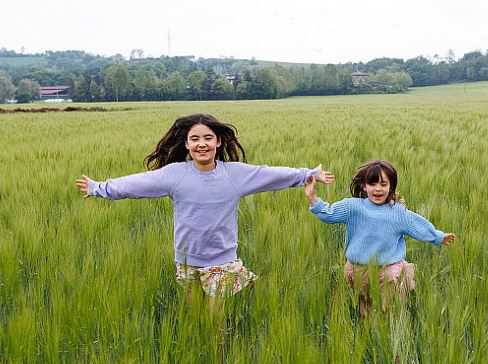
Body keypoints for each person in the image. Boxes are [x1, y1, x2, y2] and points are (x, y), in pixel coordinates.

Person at [75, 113, 334, 298]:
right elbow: (136, 184)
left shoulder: (234, 174)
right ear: (187, 144)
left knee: (215, 324)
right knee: (193, 317)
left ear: (218, 142)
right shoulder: (174, 173)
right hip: (186, 260)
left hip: (220, 260)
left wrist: (307, 174)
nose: (202, 144)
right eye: (195, 139)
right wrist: (99, 188)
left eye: (208, 138)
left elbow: (270, 174)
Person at [304, 160, 455, 317]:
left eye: (383, 184)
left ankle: (389, 332)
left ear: (391, 187)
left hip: (387, 271)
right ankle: (369, 336)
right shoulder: (353, 207)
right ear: (364, 186)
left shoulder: (398, 212)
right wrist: (313, 198)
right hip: (357, 270)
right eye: (372, 183)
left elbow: (417, 225)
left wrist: (438, 237)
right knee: (365, 311)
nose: (378, 189)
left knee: (387, 311)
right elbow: (329, 213)